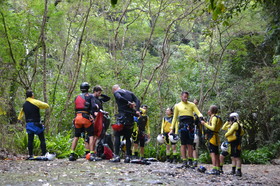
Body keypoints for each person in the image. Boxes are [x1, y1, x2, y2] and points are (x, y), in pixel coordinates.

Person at [170, 91, 203, 168]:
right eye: (184, 97)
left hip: (190, 126)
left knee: (190, 144)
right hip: (182, 126)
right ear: (181, 96)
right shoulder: (177, 106)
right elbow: (174, 117)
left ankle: (190, 160)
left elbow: (198, 112)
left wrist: (201, 118)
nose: (186, 98)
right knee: (183, 144)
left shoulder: (192, 105)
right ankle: (184, 160)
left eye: (187, 97)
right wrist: (172, 128)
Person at [110, 84, 140, 163]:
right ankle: (128, 156)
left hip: (122, 117)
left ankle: (116, 155)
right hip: (130, 117)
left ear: (114, 89)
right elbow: (137, 100)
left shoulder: (116, 92)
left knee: (117, 135)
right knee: (128, 137)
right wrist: (137, 110)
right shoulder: (130, 93)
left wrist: (128, 103)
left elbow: (119, 98)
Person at [69, 82, 99, 161]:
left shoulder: (77, 97)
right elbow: (93, 107)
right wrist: (96, 107)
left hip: (77, 118)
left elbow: (76, 108)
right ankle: (92, 153)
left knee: (76, 136)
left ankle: (71, 153)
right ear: (88, 88)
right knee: (91, 135)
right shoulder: (90, 96)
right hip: (85, 118)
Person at [18, 90, 50, 159]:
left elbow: (20, 114)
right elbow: (46, 105)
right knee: (42, 139)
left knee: (30, 140)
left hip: (29, 124)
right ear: (32, 95)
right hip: (37, 124)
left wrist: (19, 120)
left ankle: (30, 154)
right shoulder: (35, 102)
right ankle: (44, 153)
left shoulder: (24, 104)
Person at [82, 85, 111, 158]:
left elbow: (108, 98)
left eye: (100, 93)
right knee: (89, 136)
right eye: (98, 92)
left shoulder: (99, 99)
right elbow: (90, 108)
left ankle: (94, 151)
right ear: (95, 91)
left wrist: (101, 94)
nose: (99, 94)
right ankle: (87, 152)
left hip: (99, 119)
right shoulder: (91, 98)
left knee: (97, 135)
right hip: (92, 118)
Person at [220, 112, 244, 176]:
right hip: (230, 143)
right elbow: (223, 128)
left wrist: (226, 134)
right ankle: (232, 170)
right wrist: (227, 121)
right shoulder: (231, 124)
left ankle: (238, 171)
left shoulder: (236, 124)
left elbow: (229, 132)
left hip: (236, 142)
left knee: (237, 157)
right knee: (232, 157)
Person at [201, 105, 223, 175]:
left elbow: (213, 128)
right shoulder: (218, 118)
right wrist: (206, 123)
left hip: (212, 137)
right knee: (216, 153)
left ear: (211, 111)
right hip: (215, 137)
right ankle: (218, 168)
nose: (208, 111)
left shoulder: (214, 118)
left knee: (213, 153)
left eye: (209, 110)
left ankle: (214, 169)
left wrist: (204, 124)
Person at [192, 98, 201, 167]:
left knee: (194, 146)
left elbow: (199, 124)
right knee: (190, 146)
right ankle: (191, 160)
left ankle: (194, 160)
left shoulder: (198, 114)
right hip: (191, 130)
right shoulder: (190, 112)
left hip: (195, 131)